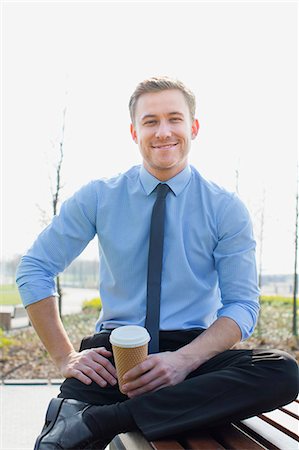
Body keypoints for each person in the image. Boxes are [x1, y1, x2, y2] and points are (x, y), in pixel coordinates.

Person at [16, 76, 298, 450]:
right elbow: (34, 268)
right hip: (111, 358)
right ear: (134, 132)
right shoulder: (99, 197)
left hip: (193, 356)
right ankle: (114, 415)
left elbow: (242, 306)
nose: (163, 131)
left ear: (193, 127)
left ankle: (98, 421)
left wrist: (181, 362)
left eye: (174, 119)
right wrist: (64, 356)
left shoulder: (225, 208)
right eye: (150, 121)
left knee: (282, 371)